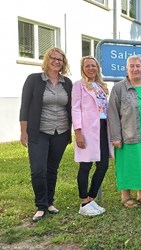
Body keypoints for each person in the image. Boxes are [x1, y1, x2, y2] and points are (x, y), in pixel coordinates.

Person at [19, 47, 72, 222]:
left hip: (61, 132)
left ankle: (50, 202)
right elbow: (25, 107)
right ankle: (41, 206)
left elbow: (71, 107)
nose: (57, 62)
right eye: (54, 58)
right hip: (39, 131)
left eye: (60, 59)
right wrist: (23, 132)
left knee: (51, 169)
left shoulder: (67, 83)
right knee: (38, 170)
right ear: (47, 60)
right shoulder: (34, 80)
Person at [108, 55, 141, 208]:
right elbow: (112, 113)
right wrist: (116, 136)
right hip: (128, 134)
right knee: (128, 164)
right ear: (126, 69)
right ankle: (125, 196)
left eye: (138, 66)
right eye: (132, 66)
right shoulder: (118, 88)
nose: (135, 69)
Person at [72, 56, 113, 216]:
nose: (91, 68)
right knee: (85, 166)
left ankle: (91, 198)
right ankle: (83, 202)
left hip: (102, 129)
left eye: (93, 66)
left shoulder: (101, 86)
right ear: (83, 68)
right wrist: (78, 131)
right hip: (87, 130)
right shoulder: (79, 86)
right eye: (87, 66)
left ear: (98, 68)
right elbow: (75, 109)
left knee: (103, 165)